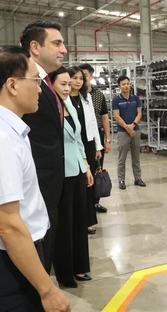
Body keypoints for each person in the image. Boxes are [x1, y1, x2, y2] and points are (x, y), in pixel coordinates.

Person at [0, 46, 70, 311]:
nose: (40, 89)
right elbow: (7, 226)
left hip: (18, 257)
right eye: (35, 81)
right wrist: (47, 290)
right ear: (12, 85)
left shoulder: (3, 130)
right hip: (8, 265)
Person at [20, 20, 68, 273]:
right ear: (35, 47)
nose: (64, 49)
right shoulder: (24, 82)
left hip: (50, 183)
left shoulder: (45, 83)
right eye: (57, 43)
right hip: (35, 184)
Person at [49, 67, 93, 288]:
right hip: (61, 175)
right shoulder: (49, 110)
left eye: (70, 84)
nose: (67, 88)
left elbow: (78, 140)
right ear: (51, 85)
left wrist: (86, 165)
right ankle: (65, 273)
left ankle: (80, 266)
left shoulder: (70, 106)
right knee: (64, 225)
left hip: (77, 170)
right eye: (62, 84)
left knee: (79, 221)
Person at [68, 66, 102, 234]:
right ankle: (76, 219)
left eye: (80, 78)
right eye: (74, 78)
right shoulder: (64, 99)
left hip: (88, 143)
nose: (78, 81)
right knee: (78, 183)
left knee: (89, 183)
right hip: (73, 144)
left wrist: (98, 146)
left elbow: (93, 123)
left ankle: (88, 221)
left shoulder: (86, 97)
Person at [80, 63, 111, 213]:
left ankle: (95, 202)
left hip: (97, 136)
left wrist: (107, 139)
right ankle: (86, 204)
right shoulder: (75, 95)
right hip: (81, 137)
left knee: (97, 169)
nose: (81, 79)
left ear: (91, 77)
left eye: (84, 76)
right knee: (85, 171)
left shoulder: (98, 95)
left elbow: (105, 118)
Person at [112, 76, 146, 190]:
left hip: (135, 130)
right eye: (123, 84)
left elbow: (139, 113)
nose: (126, 86)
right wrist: (127, 127)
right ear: (119, 86)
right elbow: (117, 116)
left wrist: (133, 125)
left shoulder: (136, 99)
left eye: (128, 83)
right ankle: (121, 180)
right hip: (123, 132)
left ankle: (138, 178)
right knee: (122, 158)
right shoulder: (116, 100)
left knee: (136, 157)